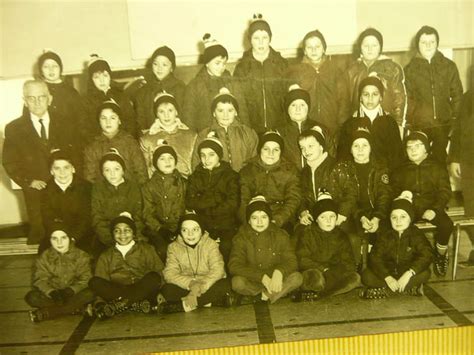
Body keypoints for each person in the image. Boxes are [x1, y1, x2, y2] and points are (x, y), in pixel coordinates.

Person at [2, 80, 79, 245]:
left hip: (64, 190)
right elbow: (10, 162)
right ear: (24, 101)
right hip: (35, 195)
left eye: (41, 97)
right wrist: (28, 181)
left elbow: (76, 154)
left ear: (50, 99)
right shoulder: (13, 128)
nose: (37, 102)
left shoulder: (66, 122)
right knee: (41, 242)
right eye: (31, 98)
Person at [391, 131, 453, 277]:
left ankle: (440, 253)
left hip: (432, 207)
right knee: (399, 227)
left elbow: (445, 192)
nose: (413, 150)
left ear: (426, 148)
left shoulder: (437, 167)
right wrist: (401, 200)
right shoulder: (401, 170)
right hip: (409, 208)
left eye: (417, 146)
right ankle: (405, 261)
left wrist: (435, 209)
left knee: (446, 225)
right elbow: (393, 191)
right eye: (409, 147)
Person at [405, 25, 463, 163]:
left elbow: (457, 95)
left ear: (437, 43)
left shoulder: (449, 66)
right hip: (420, 126)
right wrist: (412, 121)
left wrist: (456, 122)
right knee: (421, 164)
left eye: (432, 42)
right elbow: (408, 99)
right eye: (424, 42)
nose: (428, 45)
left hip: (444, 125)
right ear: (417, 44)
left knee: (440, 162)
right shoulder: (409, 70)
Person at [229, 196, 303, 304]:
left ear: (269, 218)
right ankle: (276, 294)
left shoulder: (280, 235)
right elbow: (234, 265)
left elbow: (292, 261)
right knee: (237, 283)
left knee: (297, 278)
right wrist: (261, 277)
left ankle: (262, 296)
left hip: (276, 280)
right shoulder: (241, 237)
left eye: (264, 217)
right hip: (254, 279)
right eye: (254, 218)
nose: (259, 222)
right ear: (249, 221)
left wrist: (280, 271)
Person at [89, 213, 163, 319]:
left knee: (154, 277)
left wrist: (160, 293)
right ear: (112, 234)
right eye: (117, 231)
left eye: (127, 230)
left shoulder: (146, 249)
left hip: (141, 289)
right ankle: (134, 304)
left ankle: (121, 304)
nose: (122, 234)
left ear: (133, 233)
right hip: (117, 291)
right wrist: (99, 302)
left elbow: (159, 271)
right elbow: (101, 278)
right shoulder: (106, 255)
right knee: (94, 282)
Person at [360, 191, 433, 299]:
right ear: (390, 219)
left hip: (406, 273)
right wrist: (387, 277)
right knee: (366, 276)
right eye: (394, 217)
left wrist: (409, 273)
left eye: (403, 217)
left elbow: (427, 254)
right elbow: (375, 257)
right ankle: (406, 288)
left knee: (425, 273)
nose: (398, 221)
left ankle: (382, 289)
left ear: (410, 218)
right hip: (387, 274)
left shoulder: (416, 234)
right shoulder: (385, 234)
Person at [160, 211, 233, 313]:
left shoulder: (211, 244)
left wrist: (201, 286)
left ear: (202, 231)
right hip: (187, 286)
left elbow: (218, 270)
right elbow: (169, 273)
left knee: (225, 284)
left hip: (207, 284)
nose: (190, 234)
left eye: (195, 229)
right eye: (185, 230)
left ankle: (184, 306)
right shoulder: (173, 247)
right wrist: (191, 284)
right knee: (167, 289)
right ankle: (208, 302)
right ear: (180, 232)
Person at [294, 191, 360, 302]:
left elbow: (348, 261)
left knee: (355, 278)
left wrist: (335, 270)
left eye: (332, 216)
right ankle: (325, 291)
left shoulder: (341, 235)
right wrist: (322, 268)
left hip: (332, 274)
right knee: (316, 279)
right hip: (316, 271)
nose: (328, 221)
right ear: (316, 219)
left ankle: (323, 294)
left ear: (336, 218)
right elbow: (302, 259)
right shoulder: (308, 233)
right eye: (323, 217)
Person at [285, 30, 350, 137]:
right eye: (309, 47)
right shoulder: (295, 72)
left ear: (324, 48)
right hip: (307, 126)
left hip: (331, 126)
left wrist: (342, 125)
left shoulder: (335, 71)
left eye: (317, 46)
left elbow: (343, 100)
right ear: (304, 51)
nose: (314, 50)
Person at [25, 223, 94, 322]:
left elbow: (86, 278)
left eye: (63, 238)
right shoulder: (44, 257)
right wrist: (51, 292)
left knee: (90, 293)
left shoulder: (81, 255)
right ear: (49, 240)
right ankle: (76, 309)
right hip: (54, 296)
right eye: (54, 239)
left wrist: (71, 290)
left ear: (70, 239)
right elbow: (39, 280)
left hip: (73, 295)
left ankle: (51, 312)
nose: (59, 242)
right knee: (32, 297)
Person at [186, 134, 240, 261]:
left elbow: (232, 203)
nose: (206, 159)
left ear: (219, 156)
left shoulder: (230, 176)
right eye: (203, 155)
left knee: (227, 246)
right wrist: (216, 199)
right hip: (203, 223)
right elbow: (190, 201)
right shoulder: (195, 177)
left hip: (226, 223)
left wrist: (206, 206)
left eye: (211, 154)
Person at [233, 14, 288, 133]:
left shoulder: (282, 64)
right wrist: (247, 128)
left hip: (280, 127)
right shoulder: (242, 67)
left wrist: (285, 125)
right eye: (256, 38)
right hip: (252, 129)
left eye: (265, 37)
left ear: (270, 38)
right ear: (250, 40)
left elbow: (288, 98)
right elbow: (240, 102)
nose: (261, 43)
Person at [182, 34, 249, 131]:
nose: (221, 67)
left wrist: (246, 133)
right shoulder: (195, 86)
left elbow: (243, 112)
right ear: (207, 63)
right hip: (206, 136)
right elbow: (189, 118)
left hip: (232, 135)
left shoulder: (232, 83)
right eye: (217, 63)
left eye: (224, 63)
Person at [338, 76, 405, 171]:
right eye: (366, 94)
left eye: (375, 94)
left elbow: (397, 157)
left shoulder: (390, 123)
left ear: (381, 97)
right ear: (360, 97)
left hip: (385, 176)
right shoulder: (350, 123)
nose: (370, 99)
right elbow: (343, 156)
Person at [347, 128, 392, 268]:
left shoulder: (380, 169)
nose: (360, 150)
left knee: (385, 232)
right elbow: (347, 199)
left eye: (364, 145)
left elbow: (384, 196)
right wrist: (360, 216)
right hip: (353, 213)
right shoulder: (345, 169)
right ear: (350, 149)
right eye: (356, 146)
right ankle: (358, 262)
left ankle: (378, 264)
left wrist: (377, 217)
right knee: (352, 233)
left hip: (376, 212)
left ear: (371, 148)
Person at [298, 127, 357, 232]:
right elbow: (302, 196)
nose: (306, 151)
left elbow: (351, 192)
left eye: (310, 146)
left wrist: (342, 214)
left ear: (321, 146)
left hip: (338, 219)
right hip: (316, 220)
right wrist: (304, 211)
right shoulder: (304, 172)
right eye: (302, 148)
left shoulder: (337, 166)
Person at [239, 131, 301, 230]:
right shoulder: (247, 171)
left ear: (281, 151)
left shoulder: (290, 171)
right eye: (266, 149)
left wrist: (277, 220)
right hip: (254, 219)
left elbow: (293, 200)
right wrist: (249, 221)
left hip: (281, 219)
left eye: (276, 150)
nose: (270, 154)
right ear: (260, 150)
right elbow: (243, 200)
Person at [345, 28, 406, 127]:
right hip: (359, 125)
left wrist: (398, 125)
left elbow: (399, 100)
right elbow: (346, 104)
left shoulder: (392, 68)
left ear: (380, 47)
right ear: (360, 47)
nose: (370, 49)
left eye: (374, 45)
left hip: (385, 124)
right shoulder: (351, 71)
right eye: (366, 46)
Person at [91, 149, 145, 254]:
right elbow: (97, 218)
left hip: (132, 236)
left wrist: (132, 238)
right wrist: (110, 240)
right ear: (102, 172)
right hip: (107, 239)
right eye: (107, 170)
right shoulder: (98, 189)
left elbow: (139, 215)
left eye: (116, 169)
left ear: (123, 170)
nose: (112, 174)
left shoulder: (133, 187)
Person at [192, 87, 258, 172]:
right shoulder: (204, 135)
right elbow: (196, 164)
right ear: (214, 113)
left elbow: (254, 162)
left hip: (242, 181)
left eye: (230, 110)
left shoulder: (248, 133)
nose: (225, 115)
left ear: (236, 112)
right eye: (220, 111)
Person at [83, 99, 147, 184]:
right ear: (99, 121)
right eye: (103, 118)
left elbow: (141, 173)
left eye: (112, 118)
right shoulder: (93, 147)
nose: (108, 122)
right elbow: (89, 178)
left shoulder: (130, 143)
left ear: (119, 120)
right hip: (103, 195)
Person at [142, 141, 187, 260]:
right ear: (156, 163)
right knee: (162, 250)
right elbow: (147, 213)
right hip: (159, 230)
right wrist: (160, 229)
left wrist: (182, 227)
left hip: (180, 228)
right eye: (162, 158)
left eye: (170, 158)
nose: (167, 162)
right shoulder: (149, 186)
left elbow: (187, 207)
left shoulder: (184, 183)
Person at [41, 149, 92, 253]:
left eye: (66, 167)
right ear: (51, 171)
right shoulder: (46, 190)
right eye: (57, 168)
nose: (62, 172)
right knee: (45, 257)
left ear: (73, 169)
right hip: (57, 235)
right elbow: (48, 218)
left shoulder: (86, 187)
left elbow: (86, 218)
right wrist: (61, 238)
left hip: (81, 235)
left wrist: (73, 238)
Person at [35, 50, 87, 153]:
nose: (51, 70)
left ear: (60, 68)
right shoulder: (36, 91)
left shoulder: (71, 92)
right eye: (46, 67)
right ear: (41, 70)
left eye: (54, 66)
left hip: (70, 146)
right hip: (45, 147)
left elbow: (81, 122)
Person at [449, 68, 474, 264]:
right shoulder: (468, 98)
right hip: (468, 162)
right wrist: (454, 158)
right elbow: (457, 131)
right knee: (471, 208)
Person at [140, 92, 196, 178]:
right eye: (161, 111)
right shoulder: (147, 139)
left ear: (176, 112)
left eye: (170, 110)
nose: (167, 115)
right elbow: (146, 170)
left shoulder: (191, 136)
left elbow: (195, 165)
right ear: (157, 114)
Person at [279, 84, 334, 170]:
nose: (298, 109)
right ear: (287, 108)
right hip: (291, 180)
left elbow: (332, 156)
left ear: (308, 108)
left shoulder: (321, 129)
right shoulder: (279, 132)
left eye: (302, 105)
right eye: (293, 105)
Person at [82, 55, 137, 141]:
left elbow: (131, 122)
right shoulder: (85, 101)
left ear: (110, 76)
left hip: (123, 141)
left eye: (105, 75)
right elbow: (86, 129)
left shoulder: (121, 96)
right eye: (97, 77)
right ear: (91, 80)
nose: (102, 80)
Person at [134, 46, 186, 133]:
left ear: (172, 67)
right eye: (155, 64)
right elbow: (140, 122)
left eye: (164, 65)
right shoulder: (143, 92)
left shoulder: (180, 88)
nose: (159, 68)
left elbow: (185, 118)